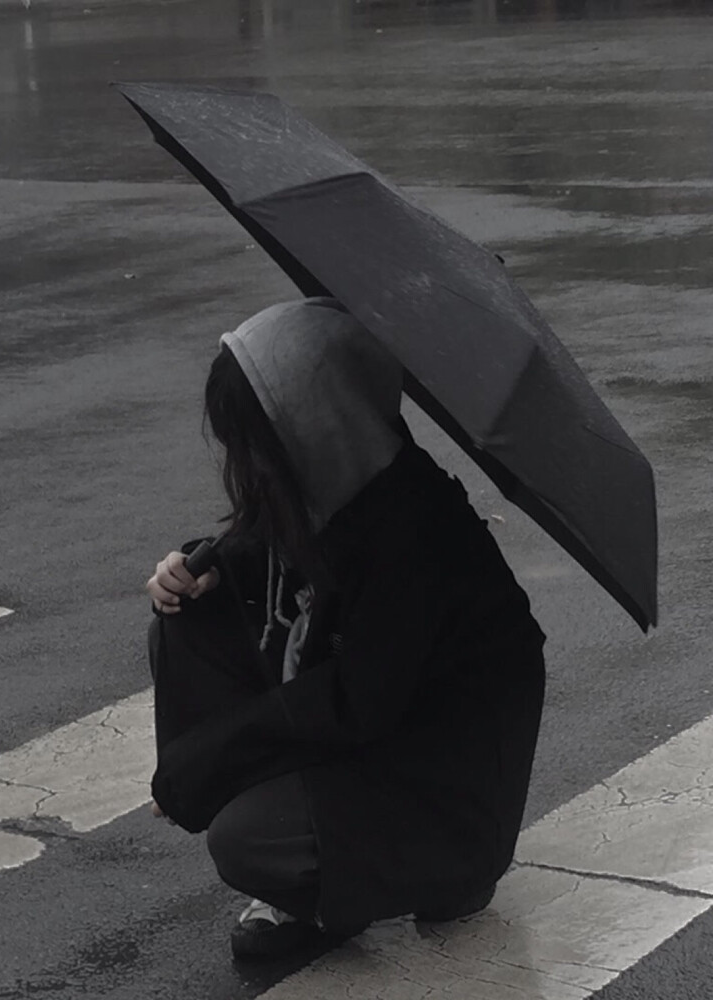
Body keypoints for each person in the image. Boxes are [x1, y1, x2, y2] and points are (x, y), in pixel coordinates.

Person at [145, 298, 546, 961]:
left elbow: (353, 703)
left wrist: (201, 766)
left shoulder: (416, 535)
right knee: (187, 616)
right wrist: (191, 570)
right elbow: (256, 556)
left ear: (314, 427)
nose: (244, 464)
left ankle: (433, 878)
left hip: (444, 789)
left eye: (255, 442)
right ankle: (330, 876)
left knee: (245, 839)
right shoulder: (337, 486)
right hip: (376, 748)